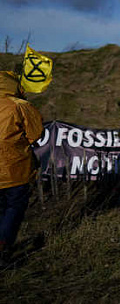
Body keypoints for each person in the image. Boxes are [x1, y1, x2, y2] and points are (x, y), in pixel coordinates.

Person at [0, 71, 43, 266]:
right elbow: (36, 134)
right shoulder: (20, 106)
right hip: (15, 169)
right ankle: (2, 247)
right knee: (14, 208)